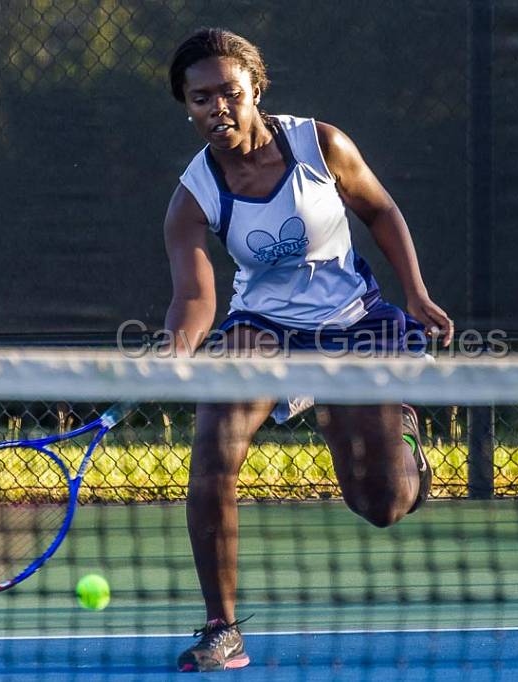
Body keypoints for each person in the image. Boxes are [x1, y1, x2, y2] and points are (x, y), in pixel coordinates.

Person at [163, 28, 453, 673]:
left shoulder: (319, 144)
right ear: (186, 105)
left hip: (355, 321)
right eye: (200, 97)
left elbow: (379, 211)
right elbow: (196, 295)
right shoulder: (192, 196)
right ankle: (222, 629)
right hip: (263, 325)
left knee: (380, 505)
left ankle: (402, 437)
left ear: (255, 91)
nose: (217, 108)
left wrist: (417, 294)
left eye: (229, 93)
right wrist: (177, 350)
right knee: (214, 440)